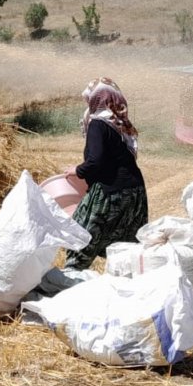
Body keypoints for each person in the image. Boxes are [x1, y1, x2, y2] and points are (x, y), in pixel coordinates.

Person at [67, 77, 147, 269]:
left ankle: (69, 282)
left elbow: (95, 161)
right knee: (126, 248)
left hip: (111, 193)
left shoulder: (97, 124)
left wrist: (77, 170)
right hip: (135, 192)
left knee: (79, 238)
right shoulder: (118, 122)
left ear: (95, 99)